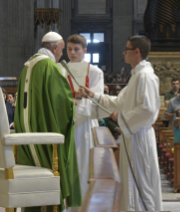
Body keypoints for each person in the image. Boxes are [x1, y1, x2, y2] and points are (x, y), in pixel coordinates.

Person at [78, 35, 162, 211]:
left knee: (141, 182)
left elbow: (147, 110)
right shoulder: (137, 76)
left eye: (127, 49)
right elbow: (119, 103)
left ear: (136, 52)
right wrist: (94, 95)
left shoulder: (145, 76)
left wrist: (120, 118)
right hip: (132, 135)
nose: (124, 52)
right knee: (132, 180)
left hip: (139, 136)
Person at [14, 32, 81, 211]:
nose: (62, 55)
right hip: (44, 135)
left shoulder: (27, 65)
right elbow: (63, 103)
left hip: (26, 135)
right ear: (55, 48)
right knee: (50, 170)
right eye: (61, 50)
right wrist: (73, 105)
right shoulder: (49, 66)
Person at [66, 34, 104, 206]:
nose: (72, 53)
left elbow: (98, 101)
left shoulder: (95, 72)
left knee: (85, 166)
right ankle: (69, 204)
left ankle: (85, 205)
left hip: (86, 125)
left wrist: (82, 98)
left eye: (76, 49)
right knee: (68, 165)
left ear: (85, 51)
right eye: (69, 49)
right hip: (67, 123)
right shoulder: (61, 70)